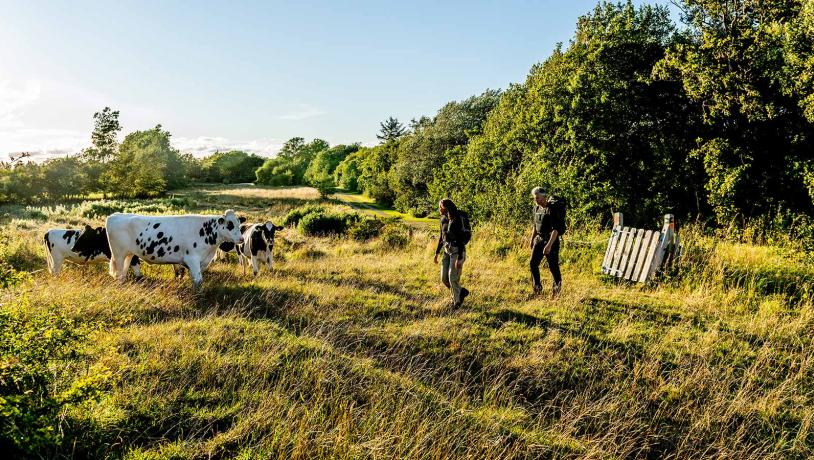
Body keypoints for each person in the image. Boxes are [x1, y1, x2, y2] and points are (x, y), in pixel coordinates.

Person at [433, 198, 470, 307]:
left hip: (457, 251)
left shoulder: (457, 219)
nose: (439, 209)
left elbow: (460, 240)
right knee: (444, 279)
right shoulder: (443, 219)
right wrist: (436, 253)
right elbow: (441, 237)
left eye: (440, 206)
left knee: (452, 278)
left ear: (446, 208)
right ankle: (461, 292)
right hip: (446, 251)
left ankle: (456, 303)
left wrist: (459, 258)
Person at [529, 187, 563, 297]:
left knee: (553, 266)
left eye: (537, 197)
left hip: (551, 241)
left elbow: (556, 229)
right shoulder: (536, 208)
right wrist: (532, 240)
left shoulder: (551, 209)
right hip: (538, 239)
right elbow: (535, 226)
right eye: (535, 198)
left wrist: (549, 245)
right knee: (533, 263)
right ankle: (537, 288)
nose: (536, 200)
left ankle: (556, 291)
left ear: (544, 197)